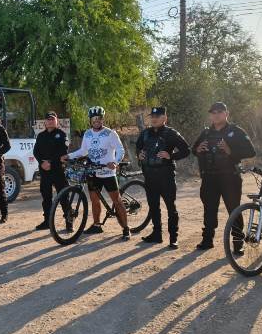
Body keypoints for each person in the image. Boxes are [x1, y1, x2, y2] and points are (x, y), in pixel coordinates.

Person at [192, 102, 256, 250]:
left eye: (219, 112)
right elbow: (193, 149)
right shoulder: (206, 133)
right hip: (209, 178)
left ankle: (238, 243)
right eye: (213, 112)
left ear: (226, 114)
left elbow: (251, 152)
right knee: (209, 209)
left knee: (234, 210)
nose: (216, 115)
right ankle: (207, 240)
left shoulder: (236, 131)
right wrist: (198, 149)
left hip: (230, 177)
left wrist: (230, 151)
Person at [61, 106, 131, 240]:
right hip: (93, 171)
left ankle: (126, 228)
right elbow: (83, 151)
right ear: (90, 120)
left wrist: (115, 162)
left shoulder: (110, 133)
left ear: (102, 119)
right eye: (94, 119)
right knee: (94, 200)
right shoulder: (87, 134)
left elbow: (120, 150)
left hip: (107, 172)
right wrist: (69, 156)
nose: (96, 121)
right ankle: (97, 225)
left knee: (116, 200)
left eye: (99, 118)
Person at [136, 106, 190, 248]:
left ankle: (173, 238)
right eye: (152, 117)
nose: (154, 119)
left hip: (166, 176)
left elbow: (186, 150)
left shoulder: (171, 133)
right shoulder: (145, 133)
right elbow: (138, 147)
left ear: (165, 118)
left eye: (158, 117)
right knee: (154, 207)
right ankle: (157, 234)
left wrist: (171, 156)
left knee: (171, 207)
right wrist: (139, 155)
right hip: (149, 176)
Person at [33, 111, 69, 230]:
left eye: (53, 119)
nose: (50, 121)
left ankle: (69, 221)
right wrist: (41, 162)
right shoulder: (41, 136)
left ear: (57, 121)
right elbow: (36, 151)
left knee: (63, 196)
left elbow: (63, 152)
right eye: (48, 119)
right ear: (45, 122)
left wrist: (51, 163)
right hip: (44, 170)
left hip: (58, 169)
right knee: (46, 197)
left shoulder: (62, 134)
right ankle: (47, 221)